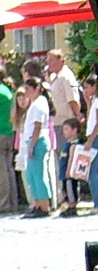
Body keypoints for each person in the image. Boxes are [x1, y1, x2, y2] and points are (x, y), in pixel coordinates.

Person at [17, 76, 53, 218]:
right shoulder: (34, 103)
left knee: (39, 174)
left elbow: (37, 126)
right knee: (31, 175)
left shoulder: (39, 103)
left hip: (37, 141)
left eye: (28, 88)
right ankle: (37, 203)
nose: (26, 91)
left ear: (37, 89)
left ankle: (44, 206)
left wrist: (32, 146)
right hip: (32, 141)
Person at [82, 73, 98, 214]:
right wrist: (87, 102)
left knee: (92, 171)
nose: (85, 90)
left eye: (87, 87)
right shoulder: (95, 101)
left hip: (96, 137)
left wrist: (90, 140)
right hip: (95, 136)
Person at [0, 67, 17, 213]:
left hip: (0, 132)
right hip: (9, 131)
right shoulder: (6, 90)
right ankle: (13, 201)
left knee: (2, 170)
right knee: (8, 168)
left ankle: (4, 204)